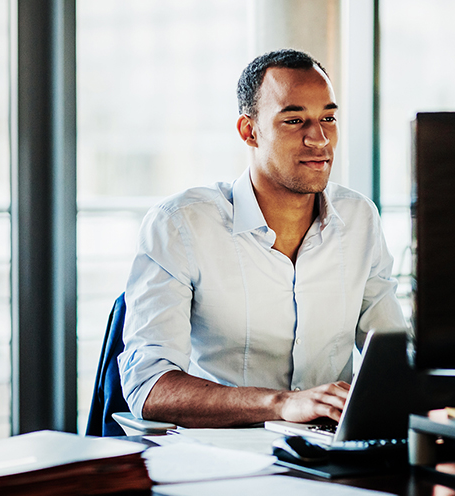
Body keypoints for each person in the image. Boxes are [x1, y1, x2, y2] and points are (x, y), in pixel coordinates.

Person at [118, 48, 407, 428]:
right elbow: (149, 387)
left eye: (328, 118)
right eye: (294, 120)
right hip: (225, 455)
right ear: (249, 131)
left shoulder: (358, 218)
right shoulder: (180, 225)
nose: (319, 138)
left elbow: (394, 356)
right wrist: (282, 404)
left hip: (332, 451)